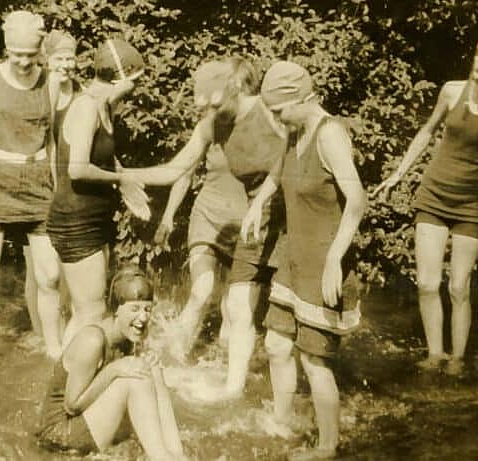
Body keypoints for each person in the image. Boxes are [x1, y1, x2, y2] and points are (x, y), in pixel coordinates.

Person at [124, 57, 288, 398]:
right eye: (203, 107)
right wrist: (121, 175)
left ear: (235, 89)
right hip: (245, 224)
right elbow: (175, 169)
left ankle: (263, 388)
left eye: (215, 105)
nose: (209, 114)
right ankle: (230, 390)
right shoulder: (211, 126)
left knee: (263, 319)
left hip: (280, 220)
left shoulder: (269, 110)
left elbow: (304, 145)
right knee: (238, 304)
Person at [373, 34, 478, 376]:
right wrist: (399, 173)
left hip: (473, 203)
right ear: (472, 64)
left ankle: (457, 359)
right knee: (427, 283)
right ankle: (434, 354)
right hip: (434, 194)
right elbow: (427, 131)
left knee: (458, 286)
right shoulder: (451, 91)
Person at [242, 61, 368, 460]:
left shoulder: (330, 135)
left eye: (279, 111)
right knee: (278, 345)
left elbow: (358, 201)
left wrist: (335, 259)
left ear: (300, 99)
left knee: (315, 362)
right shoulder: (294, 131)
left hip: (322, 263)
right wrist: (257, 205)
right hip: (293, 255)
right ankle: (281, 421)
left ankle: (328, 446)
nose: (276, 120)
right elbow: (278, 175)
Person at [0, 10, 64, 385]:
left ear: (40, 50)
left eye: (29, 54)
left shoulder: (50, 82)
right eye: (15, 53)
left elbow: (51, 141)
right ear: (5, 47)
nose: (22, 61)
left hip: (38, 184)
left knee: (50, 275)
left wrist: (58, 190)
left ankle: (54, 349)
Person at [47, 37, 150, 345]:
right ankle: (66, 387)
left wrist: (122, 179)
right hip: (75, 222)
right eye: (135, 81)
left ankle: (71, 383)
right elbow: (77, 168)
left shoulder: (104, 106)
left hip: (92, 220)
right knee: (91, 314)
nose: (135, 89)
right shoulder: (87, 107)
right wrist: (123, 181)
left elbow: (100, 156)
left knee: (89, 312)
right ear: (120, 77)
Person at [152, 62, 252, 362]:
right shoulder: (211, 127)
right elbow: (183, 171)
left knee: (232, 310)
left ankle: (219, 365)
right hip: (208, 218)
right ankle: (170, 357)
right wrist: (168, 216)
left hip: (245, 226)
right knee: (201, 291)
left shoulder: (259, 126)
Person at [36, 267, 187, 460]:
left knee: (151, 368)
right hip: (60, 436)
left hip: (89, 424)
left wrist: (145, 361)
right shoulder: (92, 340)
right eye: (134, 309)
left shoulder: (129, 336)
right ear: (116, 308)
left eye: (147, 309)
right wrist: (114, 370)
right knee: (135, 378)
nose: (143, 317)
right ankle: (161, 457)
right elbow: (71, 405)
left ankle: (177, 454)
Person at [21, 29, 81, 346]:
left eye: (70, 57)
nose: (66, 64)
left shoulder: (82, 94)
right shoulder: (39, 92)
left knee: (69, 262)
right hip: (43, 186)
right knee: (39, 266)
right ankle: (40, 332)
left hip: (75, 187)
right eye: (59, 58)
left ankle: (68, 327)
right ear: (46, 59)